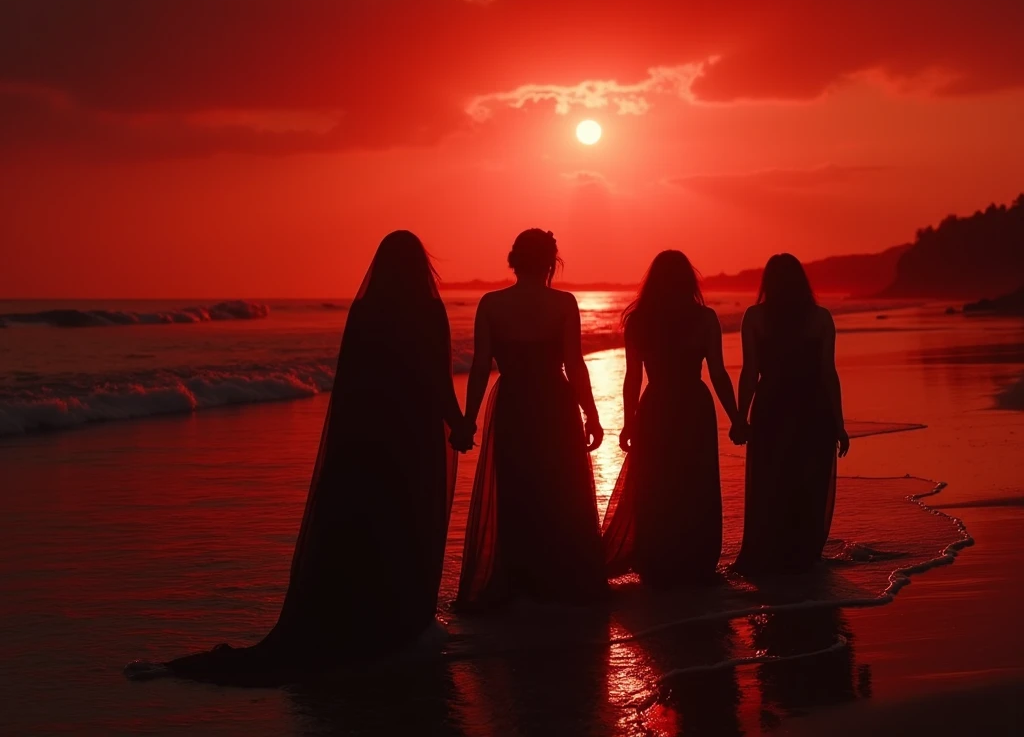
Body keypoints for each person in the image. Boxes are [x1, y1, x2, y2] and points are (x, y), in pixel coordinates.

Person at [126, 231, 466, 685]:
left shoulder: (365, 311)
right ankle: (397, 617)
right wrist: (458, 425)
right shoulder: (429, 310)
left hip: (366, 438)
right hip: (413, 436)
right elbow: (439, 378)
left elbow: (349, 384)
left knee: (363, 526)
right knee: (405, 521)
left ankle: (356, 614)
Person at [456, 229, 607, 608]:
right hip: (554, 405)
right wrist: (591, 413)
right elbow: (574, 365)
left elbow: (479, 367)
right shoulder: (563, 303)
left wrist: (468, 418)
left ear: (513, 260)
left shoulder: (491, 304)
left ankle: (522, 584)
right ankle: (556, 581)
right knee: (558, 490)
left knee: (517, 489)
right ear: (550, 261)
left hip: (514, 405)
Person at [602, 250, 743, 586]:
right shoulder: (704, 318)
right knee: (695, 483)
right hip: (694, 405)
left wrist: (629, 420)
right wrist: (736, 417)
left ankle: (659, 559)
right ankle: (695, 559)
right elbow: (718, 374)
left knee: (657, 483)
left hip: (657, 406)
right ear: (688, 281)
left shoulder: (639, 321)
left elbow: (633, 377)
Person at [733, 253, 850, 576]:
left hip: (773, 406)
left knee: (773, 482)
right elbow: (828, 373)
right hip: (813, 408)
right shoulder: (821, 318)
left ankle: (774, 556)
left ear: (768, 282)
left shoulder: (755, 317)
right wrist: (839, 424)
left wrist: (741, 418)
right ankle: (802, 555)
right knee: (806, 483)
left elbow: (750, 373)